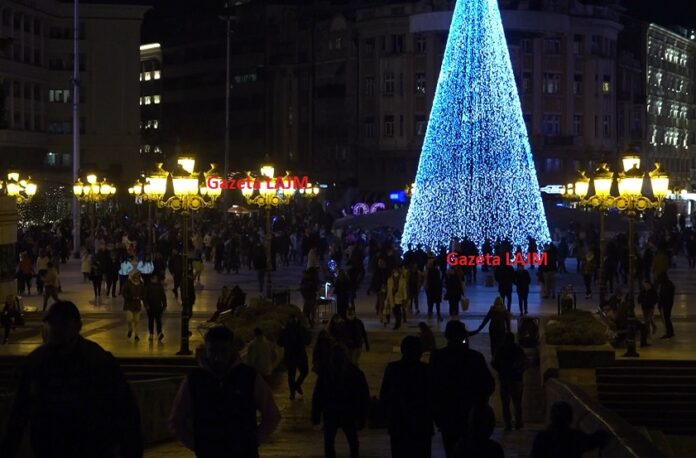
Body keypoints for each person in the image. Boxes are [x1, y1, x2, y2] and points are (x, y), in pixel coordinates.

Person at [0, 301, 143, 458]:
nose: (56, 329)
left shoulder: (97, 360)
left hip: (91, 448)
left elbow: (124, 408)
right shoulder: (36, 362)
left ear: (77, 326)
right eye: (52, 323)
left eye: (63, 323)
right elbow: (19, 412)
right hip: (50, 449)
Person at [168, 326, 281, 458]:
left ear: (232, 350)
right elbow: (176, 419)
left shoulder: (249, 377)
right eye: (213, 352)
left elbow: (272, 415)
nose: (218, 358)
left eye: (223, 352)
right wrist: (196, 445)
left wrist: (253, 441)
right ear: (206, 351)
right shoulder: (194, 380)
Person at [429, 320, 495, 458]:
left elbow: (432, 387)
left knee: (451, 449)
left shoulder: (438, 357)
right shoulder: (475, 357)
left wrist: (437, 414)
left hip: (448, 415)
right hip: (471, 414)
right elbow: (488, 384)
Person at [312, 343, 370, 458]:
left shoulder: (326, 372)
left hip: (332, 411)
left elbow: (318, 394)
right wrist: (362, 416)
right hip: (347, 412)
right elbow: (363, 396)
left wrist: (316, 414)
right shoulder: (355, 373)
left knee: (330, 442)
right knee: (352, 442)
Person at [380, 336, 433, 458]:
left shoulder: (393, 369)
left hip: (399, 424)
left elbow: (385, 395)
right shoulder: (425, 370)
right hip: (421, 425)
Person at [530, 401, 611, 458]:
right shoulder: (575, 438)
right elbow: (595, 440)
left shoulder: (541, 437)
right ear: (570, 419)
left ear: (551, 418)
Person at [491, 332, 528, 431]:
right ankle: (518, 423)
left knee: (505, 404)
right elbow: (525, 363)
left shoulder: (500, 350)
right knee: (517, 403)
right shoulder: (518, 350)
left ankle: (508, 424)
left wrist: (501, 371)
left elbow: (494, 363)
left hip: (504, 380)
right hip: (517, 379)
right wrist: (519, 371)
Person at [277, 314, 311, 400]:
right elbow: (280, 342)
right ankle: (293, 392)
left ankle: (296, 385)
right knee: (292, 375)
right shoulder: (286, 330)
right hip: (293, 355)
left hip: (297, 355)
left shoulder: (300, 329)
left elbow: (308, 340)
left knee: (304, 371)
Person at [123, 270, 145, 341]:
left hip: (137, 305)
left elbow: (143, 293)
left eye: (138, 275)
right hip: (129, 304)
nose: (137, 276)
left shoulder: (141, 284)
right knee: (129, 319)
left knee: (137, 320)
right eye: (136, 275)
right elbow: (124, 292)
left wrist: (141, 298)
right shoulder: (128, 283)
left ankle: (136, 335)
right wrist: (130, 297)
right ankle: (130, 329)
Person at [144, 273, 167, 342]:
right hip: (150, 307)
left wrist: (164, 304)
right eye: (155, 278)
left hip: (158, 306)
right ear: (151, 279)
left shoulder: (159, 286)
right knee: (151, 321)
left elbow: (163, 296)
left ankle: (159, 333)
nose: (156, 280)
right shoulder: (148, 287)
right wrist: (146, 305)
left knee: (158, 321)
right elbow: (145, 297)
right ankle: (151, 334)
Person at [657, 273, 675, 339]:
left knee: (666, 319)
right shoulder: (670, 284)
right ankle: (670, 331)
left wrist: (660, 304)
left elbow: (662, 296)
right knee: (667, 318)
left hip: (665, 304)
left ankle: (668, 332)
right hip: (669, 304)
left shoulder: (664, 285)